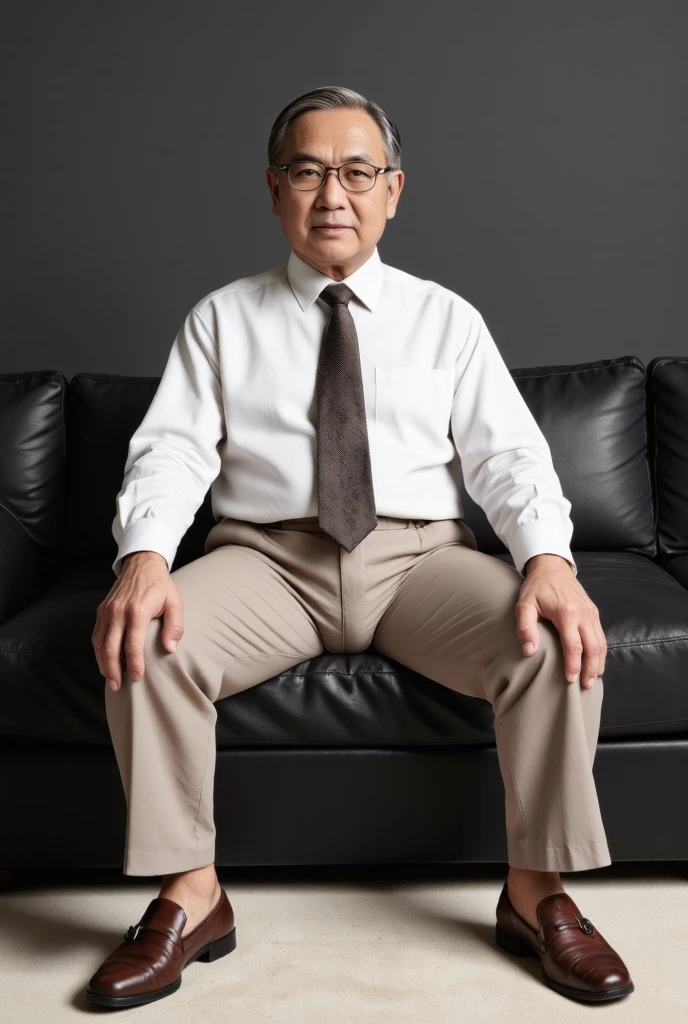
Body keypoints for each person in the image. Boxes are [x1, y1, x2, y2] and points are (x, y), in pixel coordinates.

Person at [86, 85, 634, 1008]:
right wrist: (143, 557)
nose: (331, 194)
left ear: (393, 190)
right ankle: (191, 895)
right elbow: (171, 449)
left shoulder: (445, 319)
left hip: (419, 563)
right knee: (145, 631)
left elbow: (509, 456)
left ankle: (539, 894)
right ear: (273, 189)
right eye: (307, 171)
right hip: (268, 562)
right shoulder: (221, 319)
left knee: (553, 635)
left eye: (356, 172)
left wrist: (547, 560)